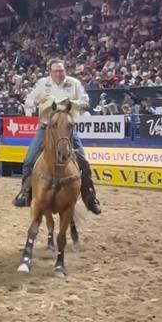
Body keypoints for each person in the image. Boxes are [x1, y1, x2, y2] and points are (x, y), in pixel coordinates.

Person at [13, 58, 101, 215]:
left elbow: (86, 102)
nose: (59, 74)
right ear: (50, 72)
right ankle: (25, 192)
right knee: (29, 159)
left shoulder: (74, 83)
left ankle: (90, 196)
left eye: (62, 71)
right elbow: (27, 101)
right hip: (46, 127)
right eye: (56, 71)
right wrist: (37, 100)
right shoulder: (42, 83)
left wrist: (71, 103)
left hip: (67, 128)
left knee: (82, 160)